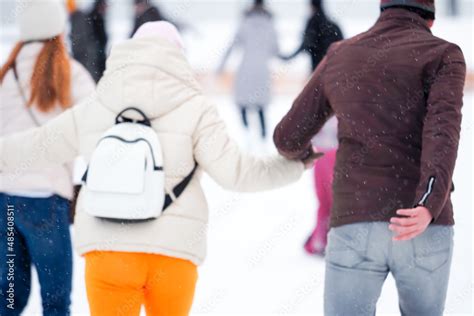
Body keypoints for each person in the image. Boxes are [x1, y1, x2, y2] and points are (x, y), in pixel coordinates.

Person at [0, 21, 319, 316]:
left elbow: (34, 147)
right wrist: (293, 166)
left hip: (109, 253)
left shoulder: (95, 107)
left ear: (129, 54)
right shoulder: (197, 109)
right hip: (173, 256)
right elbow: (238, 173)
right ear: (178, 57)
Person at [273, 0, 465, 315]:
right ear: (430, 19)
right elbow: (442, 134)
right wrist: (428, 204)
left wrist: (307, 154)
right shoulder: (443, 54)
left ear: (382, 9)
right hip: (420, 225)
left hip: (354, 220)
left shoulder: (340, 54)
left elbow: (287, 137)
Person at [0, 0, 95, 315]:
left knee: (9, 297)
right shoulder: (69, 73)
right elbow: (96, 127)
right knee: (55, 301)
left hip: (6, 202)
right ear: (58, 29)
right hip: (46, 203)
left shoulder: (5, 73)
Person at [218, 0, 280, 148]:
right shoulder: (270, 25)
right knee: (260, 106)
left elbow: (232, 46)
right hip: (262, 71)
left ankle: (247, 135)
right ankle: (263, 138)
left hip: (245, 69)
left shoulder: (244, 23)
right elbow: (276, 50)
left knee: (243, 104)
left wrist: (221, 66)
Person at [303, 117, 338, 256]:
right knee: (329, 199)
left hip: (327, 153)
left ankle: (323, 239)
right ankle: (324, 239)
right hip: (328, 153)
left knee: (329, 200)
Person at [282, 0, 343, 71]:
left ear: (312, 6)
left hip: (318, 66)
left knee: (319, 80)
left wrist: (289, 57)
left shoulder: (312, 23)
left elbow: (305, 44)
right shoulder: (333, 25)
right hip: (333, 66)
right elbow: (341, 46)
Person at [68, 0, 108, 82]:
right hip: (89, 60)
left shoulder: (82, 17)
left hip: (90, 59)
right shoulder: (80, 17)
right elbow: (80, 45)